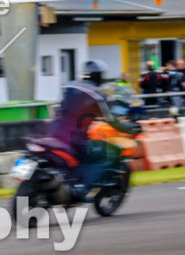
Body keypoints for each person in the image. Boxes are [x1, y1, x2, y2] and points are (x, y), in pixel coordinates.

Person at [43, 60, 140, 196]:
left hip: (53, 135)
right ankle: (83, 188)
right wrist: (129, 128)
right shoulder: (97, 94)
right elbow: (111, 120)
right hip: (75, 140)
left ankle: (71, 181)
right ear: (98, 76)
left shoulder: (68, 88)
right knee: (108, 154)